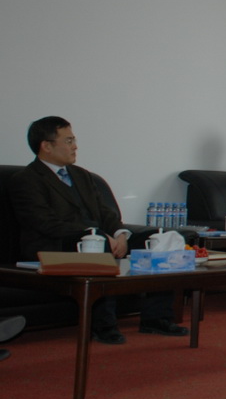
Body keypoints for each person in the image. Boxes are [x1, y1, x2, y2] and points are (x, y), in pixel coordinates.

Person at [7, 116, 188, 345]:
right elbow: (45, 223)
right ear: (46, 146)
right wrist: (96, 234)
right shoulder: (26, 179)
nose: (75, 146)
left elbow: (106, 213)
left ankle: (157, 318)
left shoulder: (82, 175)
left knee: (159, 240)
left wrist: (121, 235)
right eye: (69, 141)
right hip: (51, 247)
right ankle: (103, 326)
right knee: (97, 243)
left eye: (74, 140)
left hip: (96, 239)